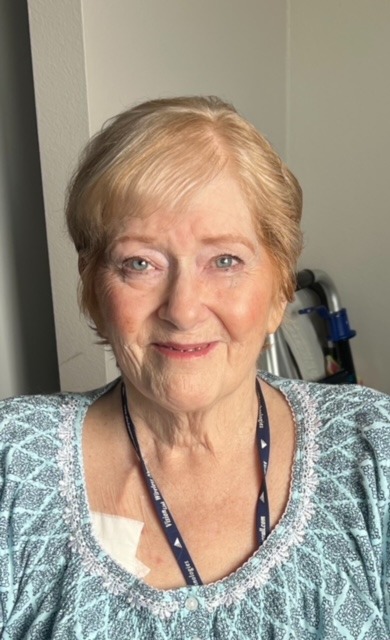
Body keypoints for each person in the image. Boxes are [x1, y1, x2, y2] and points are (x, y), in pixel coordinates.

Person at [0, 96, 389, 639]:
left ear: (279, 289)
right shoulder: (12, 463)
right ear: (93, 291)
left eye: (224, 260)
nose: (182, 309)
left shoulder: (374, 452)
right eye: (140, 263)